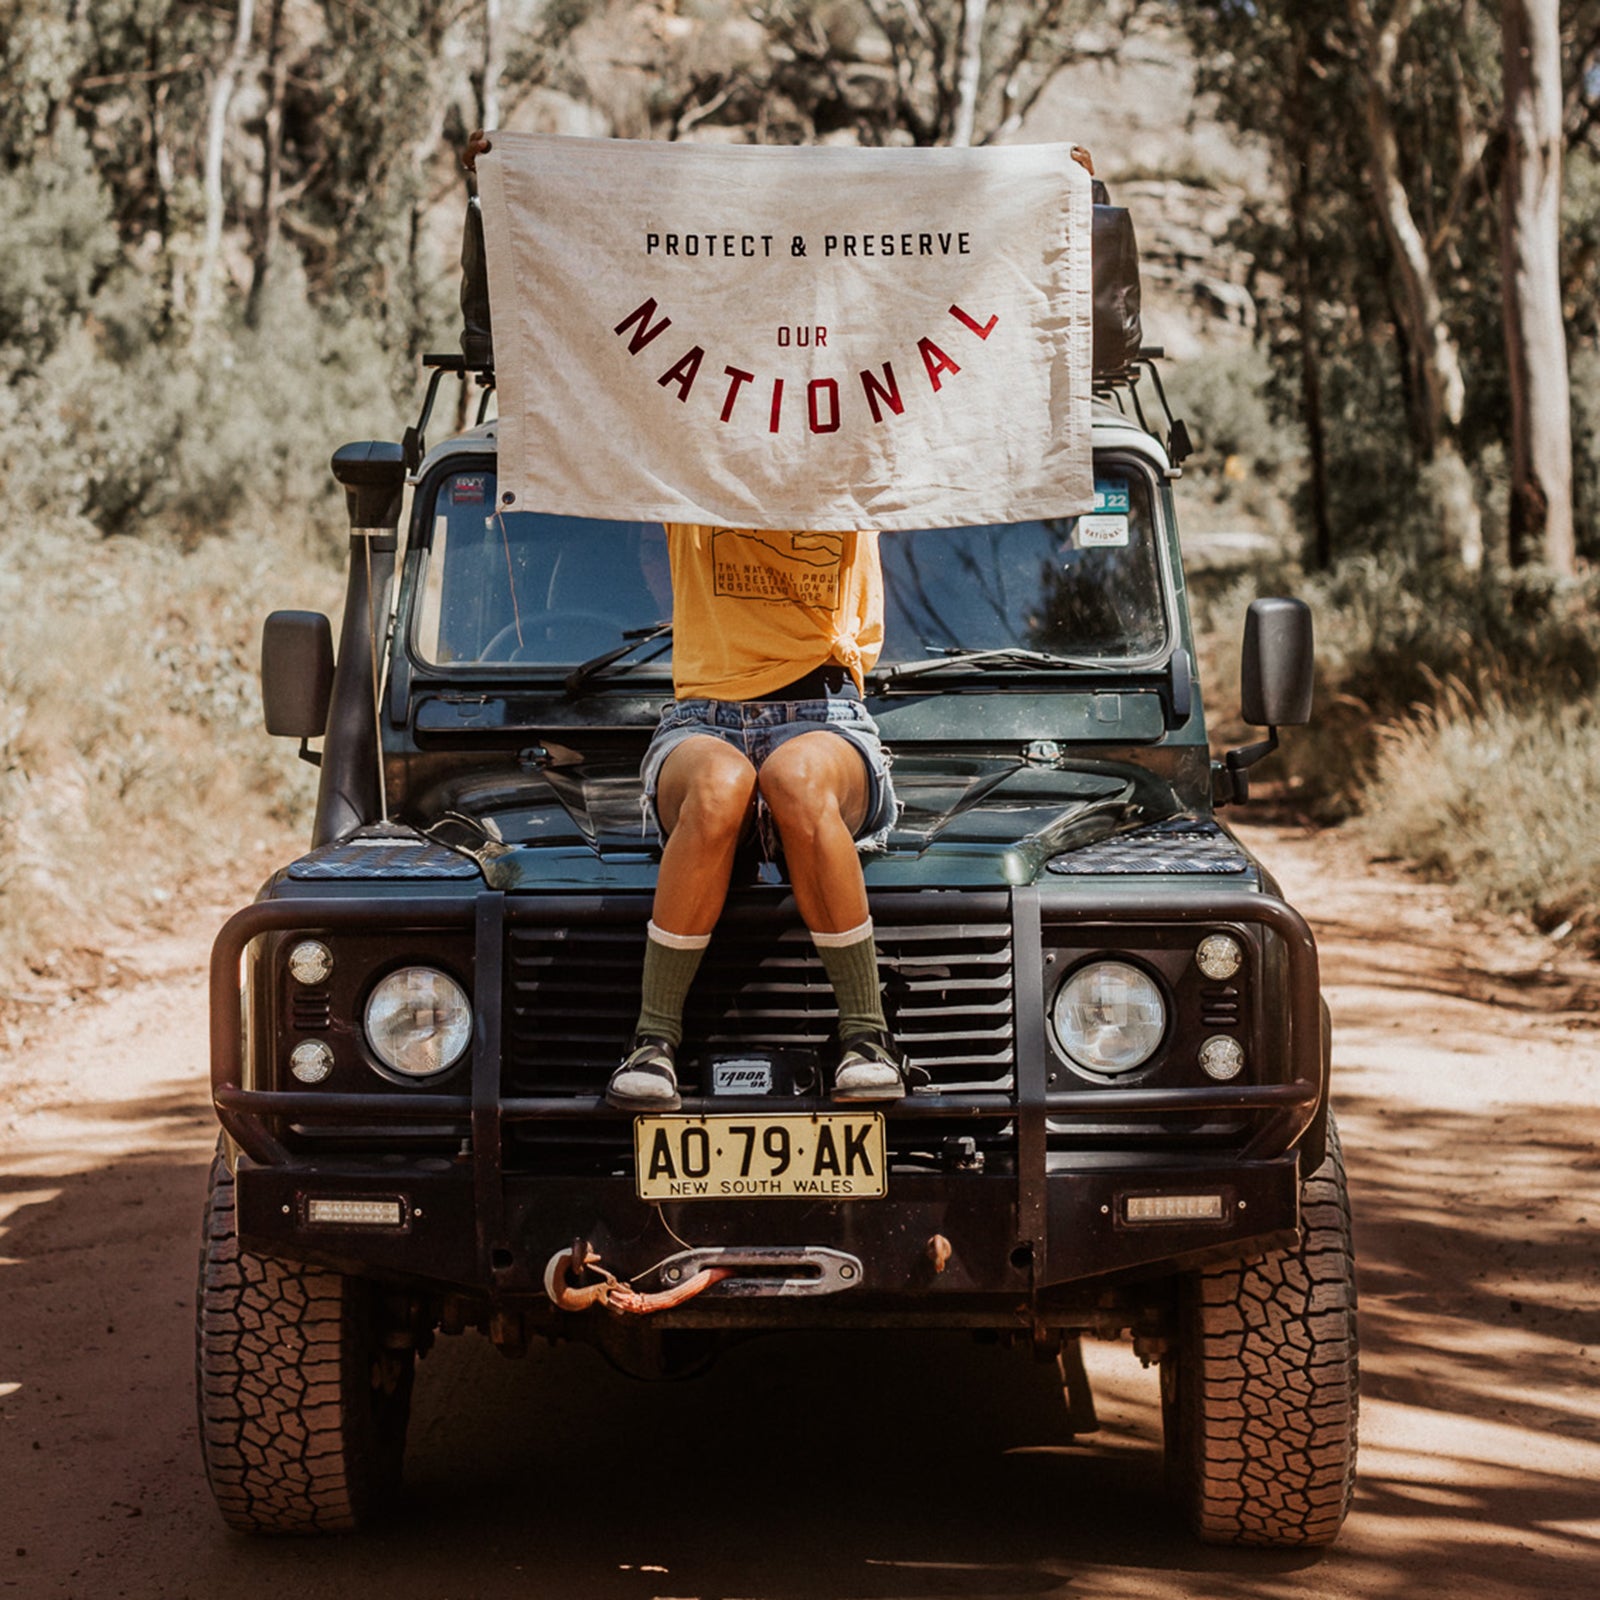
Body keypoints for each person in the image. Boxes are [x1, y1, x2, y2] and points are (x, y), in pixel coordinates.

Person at [605, 522, 906, 1110]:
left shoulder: (849, 469)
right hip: (703, 718)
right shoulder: (692, 476)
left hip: (827, 713)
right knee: (717, 787)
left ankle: (867, 1036)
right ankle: (652, 1041)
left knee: (797, 780)